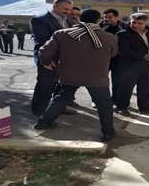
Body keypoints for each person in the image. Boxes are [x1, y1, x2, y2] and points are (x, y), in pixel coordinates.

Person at [35, 9, 118, 141]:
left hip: (69, 74)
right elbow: (113, 54)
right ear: (99, 20)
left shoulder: (62, 34)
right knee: (104, 104)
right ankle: (108, 132)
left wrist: (46, 62)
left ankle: (43, 123)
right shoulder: (109, 37)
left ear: (80, 18)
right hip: (96, 75)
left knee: (61, 98)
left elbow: (44, 51)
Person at [115, 13, 149, 116]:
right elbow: (125, 51)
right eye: (134, 22)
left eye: (139, 23)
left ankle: (145, 107)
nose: (136, 25)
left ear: (145, 23)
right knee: (126, 88)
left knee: (145, 87)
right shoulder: (122, 34)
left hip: (146, 66)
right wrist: (144, 56)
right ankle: (121, 107)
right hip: (128, 67)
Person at [30, 0, 73, 116]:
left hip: (64, 60)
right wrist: (49, 60)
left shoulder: (68, 21)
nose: (68, 12)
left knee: (61, 86)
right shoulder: (40, 20)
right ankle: (39, 112)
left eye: (69, 9)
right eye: (65, 9)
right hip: (48, 60)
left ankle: (58, 108)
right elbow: (44, 41)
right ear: (55, 7)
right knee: (45, 86)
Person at [100, 8, 128, 105]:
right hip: (103, 59)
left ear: (117, 17)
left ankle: (115, 99)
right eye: (105, 17)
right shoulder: (99, 27)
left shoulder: (125, 27)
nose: (107, 19)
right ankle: (98, 100)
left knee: (117, 81)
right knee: (100, 81)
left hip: (118, 59)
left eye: (110, 17)